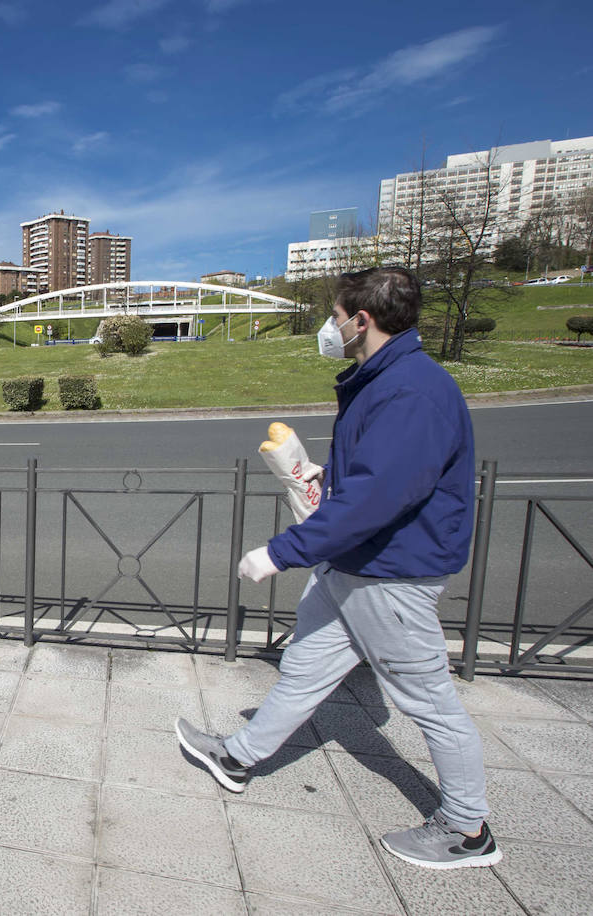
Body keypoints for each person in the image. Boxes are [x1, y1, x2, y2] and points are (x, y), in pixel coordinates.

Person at [176, 266, 500, 870]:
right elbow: (384, 475)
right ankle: (238, 757)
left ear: (362, 319)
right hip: (359, 566)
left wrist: (279, 552)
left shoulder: (412, 390)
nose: (330, 326)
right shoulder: (388, 379)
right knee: (304, 667)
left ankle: (466, 828)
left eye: (334, 315)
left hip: (391, 572)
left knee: (427, 698)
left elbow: (381, 498)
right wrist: (335, 477)